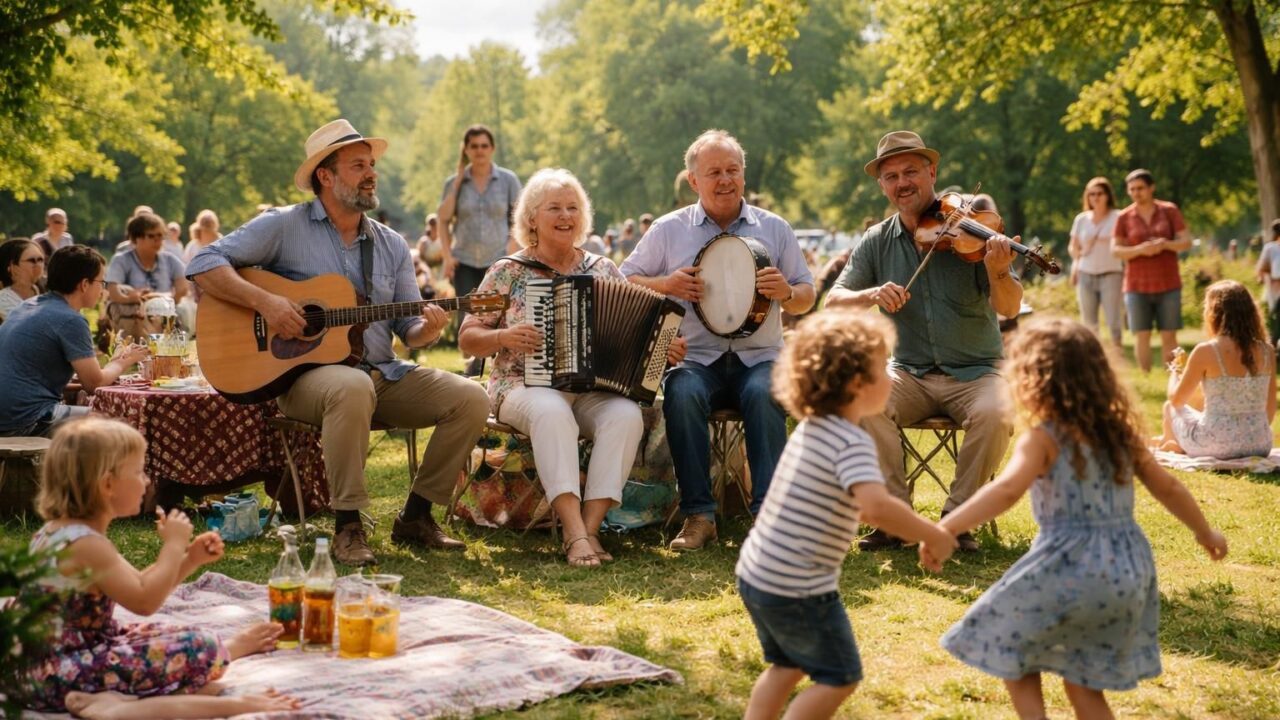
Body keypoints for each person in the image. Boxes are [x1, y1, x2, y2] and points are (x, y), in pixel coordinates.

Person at [187, 119, 489, 565]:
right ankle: (348, 524)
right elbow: (203, 262)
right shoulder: (283, 226)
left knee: (471, 397)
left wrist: (427, 329)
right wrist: (268, 303)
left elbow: (408, 326)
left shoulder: (390, 244)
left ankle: (416, 514)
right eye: (358, 166)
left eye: (372, 165)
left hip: (381, 373)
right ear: (325, 176)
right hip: (305, 381)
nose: (371, 174)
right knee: (351, 386)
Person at [923, 318, 1228, 720]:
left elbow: (1006, 491)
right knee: (1083, 687)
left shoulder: (1044, 438)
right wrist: (1205, 532)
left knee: (1010, 645)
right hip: (1127, 571)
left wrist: (947, 527)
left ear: (1033, 379)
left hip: (1071, 566)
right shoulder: (1120, 432)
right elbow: (1168, 487)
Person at [736, 310, 957, 720]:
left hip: (759, 573)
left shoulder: (812, 427)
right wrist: (934, 533)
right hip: (799, 587)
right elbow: (876, 507)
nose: (891, 375)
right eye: (885, 366)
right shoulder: (850, 441)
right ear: (858, 383)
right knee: (839, 677)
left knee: (787, 665)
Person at [20, 416, 299, 719]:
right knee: (198, 646)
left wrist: (189, 559)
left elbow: (140, 583)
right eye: (139, 472)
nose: (147, 481)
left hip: (48, 663)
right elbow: (144, 602)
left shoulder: (63, 533)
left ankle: (120, 695)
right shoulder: (88, 546)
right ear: (107, 484)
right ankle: (118, 703)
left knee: (167, 634)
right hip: (63, 672)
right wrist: (173, 546)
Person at [459, 169, 669, 566]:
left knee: (625, 416)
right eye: (554, 207)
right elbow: (468, 336)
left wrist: (663, 347)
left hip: (590, 390)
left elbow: (636, 333)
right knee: (552, 411)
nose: (565, 215)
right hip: (520, 385)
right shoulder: (507, 271)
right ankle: (574, 533)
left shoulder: (602, 269)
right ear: (532, 218)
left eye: (573, 208)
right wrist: (503, 336)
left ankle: (591, 528)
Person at [622, 129, 816, 550]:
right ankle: (699, 516)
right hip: (696, 359)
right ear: (694, 180)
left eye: (733, 170)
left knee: (766, 390)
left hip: (761, 357)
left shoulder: (775, 228)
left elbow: (807, 294)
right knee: (682, 391)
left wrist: (787, 292)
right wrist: (666, 284)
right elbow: (623, 281)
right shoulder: (668, 229)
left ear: (743, 174)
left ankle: (769, 519)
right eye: (714, 172)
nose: (726, 179)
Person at [826, 130, 1019, 552]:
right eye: (891, 176)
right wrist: (870, 294)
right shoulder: (877, 240)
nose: (902, 183)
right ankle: (895, 518)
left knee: (997, 411)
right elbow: (832, 301)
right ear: (882, 185)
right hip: (908, 372)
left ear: (932, 173)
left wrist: (999, 270)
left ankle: (956, 520)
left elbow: (1009, 307)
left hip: (976, 373)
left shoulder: (972, 234)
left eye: (911, 172)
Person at [0, 246, 149, 437]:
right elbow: (94, 384)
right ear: (85, 284)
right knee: (122, 422)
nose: (103, 290)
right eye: (101, 282)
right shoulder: (70, 319)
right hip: (26, 419)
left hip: (8, 414)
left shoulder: (27, 306)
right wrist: (123, 361)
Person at [1151, 280, 1275, 459]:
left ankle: (1173, 443)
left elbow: (1176, 400)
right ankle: (1171, 442)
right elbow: (1269, 411)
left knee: (1169, 407)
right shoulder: (1267, 351)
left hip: (1215, 445)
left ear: (1214, 313)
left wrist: (1175, 371)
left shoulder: (1206, 350)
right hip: (1260, 444)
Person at [1111, 169, 1191, 372]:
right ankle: (1146, 376)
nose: (1136, 193)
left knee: (1169, 334)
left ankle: (1174, 377)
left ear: (1151, 188)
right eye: (1132, 189)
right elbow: (1115, 250)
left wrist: (1165, 244)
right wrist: (1139, 250)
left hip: (1168, 283)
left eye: (1140, 188)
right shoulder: (1124, 217)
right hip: (1136, 285)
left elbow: (1186, 241)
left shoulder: (1169, 210)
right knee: (1142, 334)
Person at [437, 124, 522, 301]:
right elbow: (443, 219)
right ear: (466, 150)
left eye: (484, 145)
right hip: (464, 263)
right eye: (474, 146)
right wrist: (447, 256)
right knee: (468, 313)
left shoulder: (508, 180)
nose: (479, 150)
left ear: (492, 148)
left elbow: (520, 219)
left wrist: (511, 249)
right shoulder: (453, 183)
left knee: (499, 312)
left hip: (499, 260)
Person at [104, 213, 189, 340]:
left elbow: (182, 289)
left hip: (165, 309)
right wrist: (131, 298)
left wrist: (156, 297)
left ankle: (170, 344)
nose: (158, 240)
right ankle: (135, 344)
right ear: (137, 238)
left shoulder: (170, 260)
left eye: (160, 235)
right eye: (151, 236)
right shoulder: (121, 260)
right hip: (133, 310)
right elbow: (113, 292)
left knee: (184, 308)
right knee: (121, 304)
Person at [1068, 177, 1124, 349]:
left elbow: (1124, 243)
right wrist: (1075, 266)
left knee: (1114, 322)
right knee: (1088, 324)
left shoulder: (1118, 217)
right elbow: (1073, 247)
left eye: (1100, 193)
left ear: (1108, 195)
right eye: (1092, 194)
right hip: (1085, 273)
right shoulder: (1081, 219)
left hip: (1111, 273)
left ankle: (1118, 356)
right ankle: (1092, 358)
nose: (1096, 197)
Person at [0, 238, 44, 321]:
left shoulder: (46, 293)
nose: (38, 265)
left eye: (40, 260)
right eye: (31, 260)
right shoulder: (3, 301)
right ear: (13, 266)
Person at [1254, 218, 1280, 345]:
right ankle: (1273, 343)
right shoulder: (1271, 248)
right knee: (1275, 317)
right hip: (1275, 288)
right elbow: (1261, 269)